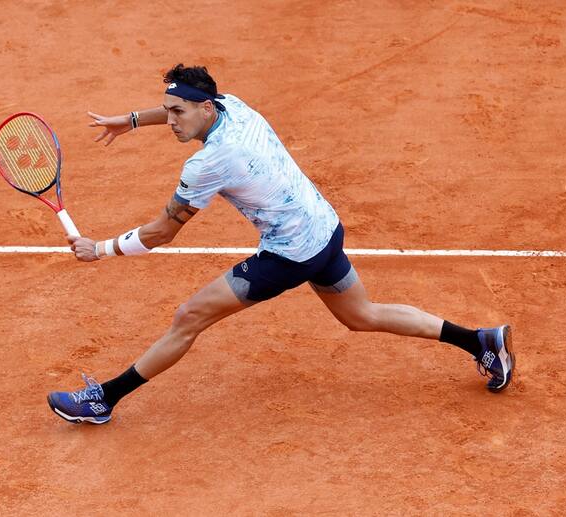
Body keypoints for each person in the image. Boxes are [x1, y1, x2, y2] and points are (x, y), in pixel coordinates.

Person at [46, 64, 515, 425]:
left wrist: (101, 249)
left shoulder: (209, 164)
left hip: (290, 253)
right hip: (325, 228)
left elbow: (161, 233)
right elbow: (177, 109)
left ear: (205, 109)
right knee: (362, 316)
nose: (169, 121)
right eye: (166, 111)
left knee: (189, 317)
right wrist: (131, 121)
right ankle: (479, 341)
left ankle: (104, 399)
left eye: (178, 113)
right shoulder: (234, 105)